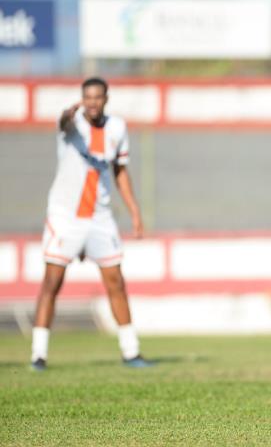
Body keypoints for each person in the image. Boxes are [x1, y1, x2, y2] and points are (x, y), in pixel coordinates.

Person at [30, 77, 151, 370]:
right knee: (51, 283)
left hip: (100, 218)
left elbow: (120, 171)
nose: (92, 102)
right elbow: (62, 123)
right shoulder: (72, 126)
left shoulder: (117, 128)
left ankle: (131, 351)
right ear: (82, 99)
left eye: (97, 97)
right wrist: (66, 115)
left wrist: (134, 210)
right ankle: (38, 354)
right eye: (88, 97)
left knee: (116, 283)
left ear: (106, 98)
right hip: (65, 217)